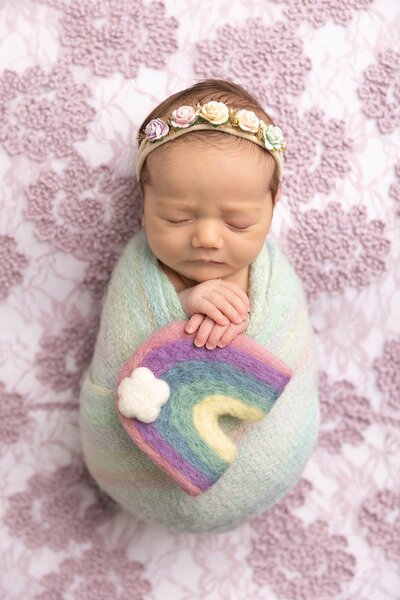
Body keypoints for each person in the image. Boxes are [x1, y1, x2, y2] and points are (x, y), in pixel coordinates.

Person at [79, 79, 319, 533]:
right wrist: (185, 302)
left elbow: (286, 342)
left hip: (263, 458)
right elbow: (129, 331)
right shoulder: (142, 269)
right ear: (144, 205)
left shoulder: (273, 276)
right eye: (177, 217)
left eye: (238, 221)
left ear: (273, 205)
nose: (207, 238)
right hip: (134, 461)